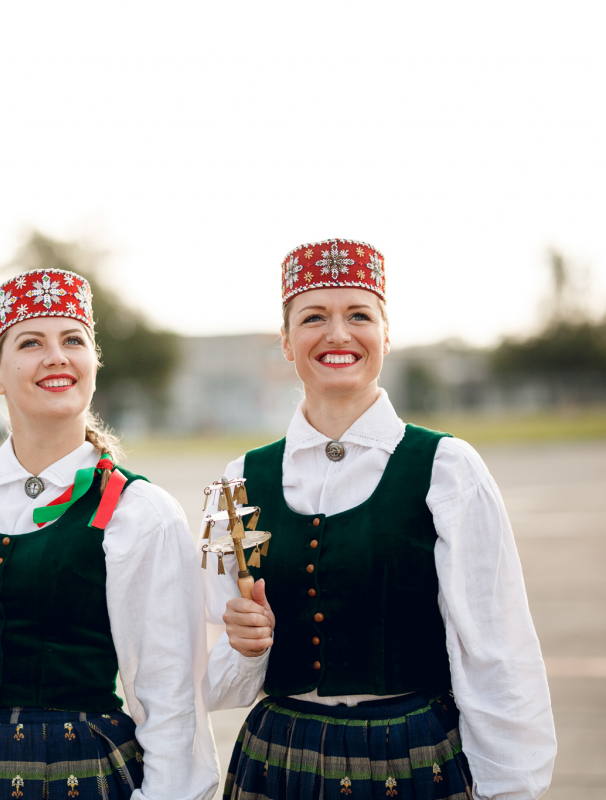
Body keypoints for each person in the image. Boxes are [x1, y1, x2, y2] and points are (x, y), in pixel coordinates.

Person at [204, 239, 556, 799]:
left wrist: (511, 789)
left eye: (359, 315)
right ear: (286, 342)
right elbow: (213, 677)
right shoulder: (238, 479)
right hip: (278, 760)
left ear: (386, 335)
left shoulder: (448, 468)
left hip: (413, 757)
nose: (337, 335)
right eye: (313, 316)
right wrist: (248, 649)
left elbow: (498, 651)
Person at [0, 269, 219, 800]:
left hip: (81, 772)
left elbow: (171, 700)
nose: (56, 356)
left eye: (72, 340)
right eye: (31, 342)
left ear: (93, 365)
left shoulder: (142, 511)